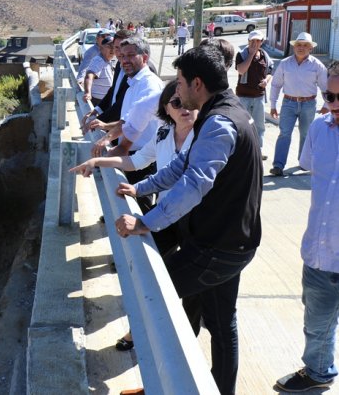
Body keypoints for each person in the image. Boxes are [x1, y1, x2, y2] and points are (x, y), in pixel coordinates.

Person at [114, 45, 262, 394]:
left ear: (197, 83)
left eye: (179, 83)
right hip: (229, 240)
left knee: (155, 300)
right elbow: (182, 166)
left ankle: (160, 386)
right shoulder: (223, 112)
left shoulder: (220, 123)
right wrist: (141, 189)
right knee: (221, 324)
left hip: (220, 246)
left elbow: (194, 185)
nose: (175, 91)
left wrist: (147, 222)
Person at [71, 81, 198, 350]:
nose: (184, 109)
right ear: (166, 109)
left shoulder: (205, 138)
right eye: (176, 104)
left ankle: (181, 356)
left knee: (189, 290)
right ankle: (138, 329)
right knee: (146, 270)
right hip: (166, 217)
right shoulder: (164, 133)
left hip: (196, 222)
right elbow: (136, 161)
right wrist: (96, 161)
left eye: (189, 103)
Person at [275, 61, 339, 392]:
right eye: (329, 96)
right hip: (321, 253)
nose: (334, 105)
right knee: (317, 324)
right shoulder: (318, 128)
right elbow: (310, 168)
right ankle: (318, 371)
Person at [89, 36, 164, 213]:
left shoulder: (149, 85)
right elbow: (127, 120)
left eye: (130, 55)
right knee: (123, 201)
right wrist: (107, 134)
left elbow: (131, 124)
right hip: (132, 154)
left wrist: (108, 140)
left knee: (139, 207)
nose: (124, 60)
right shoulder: (133, 82)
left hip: (144, 158)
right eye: (121, 56)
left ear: (144, 58)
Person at [268, 32, 328, 176]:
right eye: (298, 45)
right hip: (288, 103)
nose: (301, 48)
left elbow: (325, 87)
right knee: (284, 133)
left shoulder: (317, 65)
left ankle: (303, 163)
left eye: (305, 45)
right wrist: (273, 105)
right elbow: (276, 85)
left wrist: (327, 105)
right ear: (294, 47)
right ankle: (278, 165)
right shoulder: (285, 63)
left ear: (310, 48)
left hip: (309, 104)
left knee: (306, 134)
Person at [235, 30, 273, 160]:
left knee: (259, 126)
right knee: (243, 125)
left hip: (259, 96)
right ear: (248, 41)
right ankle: (243, 152)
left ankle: (258, 151)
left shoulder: (265, 56)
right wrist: (251, 55)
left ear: (261, 42)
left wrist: (266, 81)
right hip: (243, 96)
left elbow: (270, 72)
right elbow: (241, 70)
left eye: (258, 41)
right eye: (252, 41)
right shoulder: (242, 54)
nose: (255, 43)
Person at [82, 36, 116, 106]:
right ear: (101, 48)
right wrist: (87, 92)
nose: (112, 49)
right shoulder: (99, 60)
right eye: (109, 46)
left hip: (104, 100)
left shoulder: (107, 61)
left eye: (114, 47)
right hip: (98, 102)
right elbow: (89, 75)